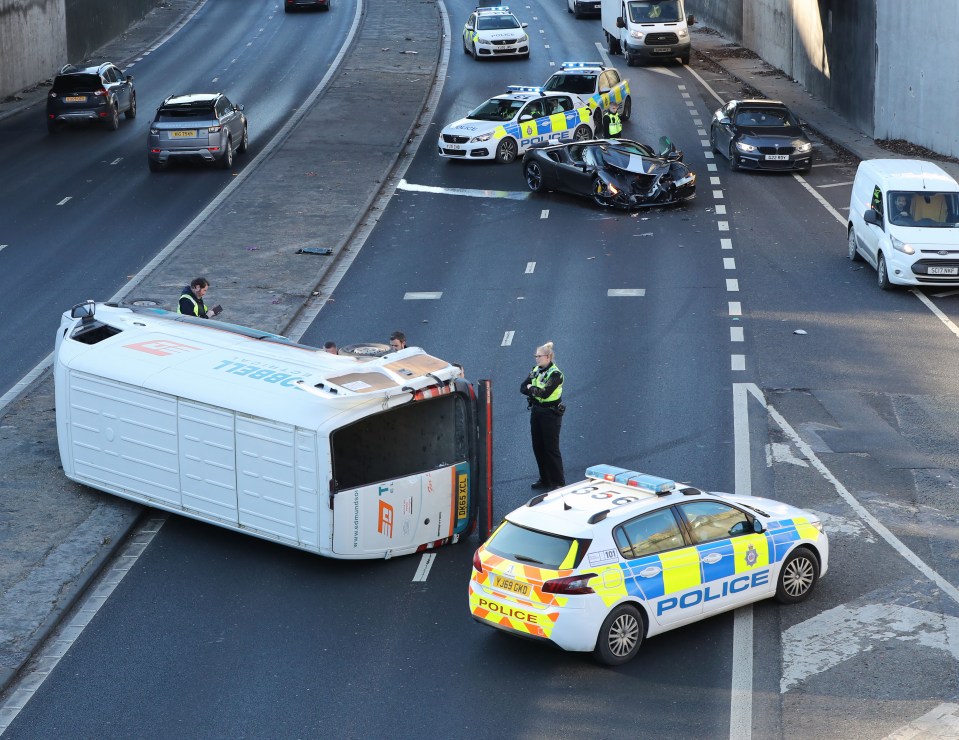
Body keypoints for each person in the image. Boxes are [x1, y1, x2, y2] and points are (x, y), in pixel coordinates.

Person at [520, 341, 566, 490]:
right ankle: (545, 479)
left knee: (551, 448)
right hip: (537, 412)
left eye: (539, 356)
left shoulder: (556, 375)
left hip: (551, 414)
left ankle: (558, 482)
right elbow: (522, 387)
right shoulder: (535, 370)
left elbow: (545, 393)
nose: (536, 359)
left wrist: (530, 388)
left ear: (548, 357)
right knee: (538, 447)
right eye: (536, 356)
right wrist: (532, 389)